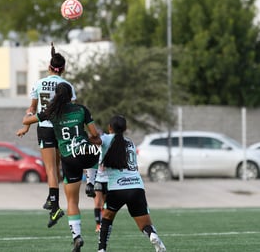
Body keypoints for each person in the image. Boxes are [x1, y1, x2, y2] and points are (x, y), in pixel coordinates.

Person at [17, 82, 102, 252]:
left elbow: (26, 120)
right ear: (71, 95)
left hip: (69, 158)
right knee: (96, 150)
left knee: (72, 200)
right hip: (85, 152)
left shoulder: (51, 112)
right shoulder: (81, 110)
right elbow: (94, 134)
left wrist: (29, 115)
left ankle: (77, 236)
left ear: (56, 96)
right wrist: (92, 139)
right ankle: (91, 182)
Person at [20, 42, 77, 228]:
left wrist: (27, 127)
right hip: (62, 128)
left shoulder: (39, 83)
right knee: (59, 167)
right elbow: (71, 110)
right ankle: (55, 202)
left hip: (44, 126)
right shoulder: (67, 86)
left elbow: (32, 109)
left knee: (51, 169)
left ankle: (54, 205)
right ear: (63, 69)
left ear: (49, 67)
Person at [97, 115, 166, 252]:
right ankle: (152, 235)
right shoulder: (130, 142)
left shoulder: (106, 139)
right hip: (136, 187)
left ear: (109, 128)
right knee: (144, 224)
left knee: (106, 217)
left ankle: (101, 249)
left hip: (117, 188)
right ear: (126, 128)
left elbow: (94, 137)